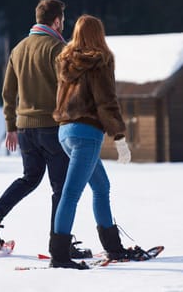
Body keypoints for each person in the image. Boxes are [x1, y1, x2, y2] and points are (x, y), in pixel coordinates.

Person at [0, 0, 91, 259]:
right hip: (52, 129)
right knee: (61, 188)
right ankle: (60, 244)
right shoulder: (57, 47)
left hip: (25, 129)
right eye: (62, 20)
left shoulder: (18, 49)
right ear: (57, 21)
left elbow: (8, 93)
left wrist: (10, 127)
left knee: (30, 178)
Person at [50, 14, 146, 269]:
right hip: (86, 134)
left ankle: (113, 247)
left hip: (65, 133)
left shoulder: (65, 60)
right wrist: (120, 137)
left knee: (102, 187)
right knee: (71, 194)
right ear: (98, 34)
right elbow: (106, 101)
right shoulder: (100, 60)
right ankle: (59, 255)